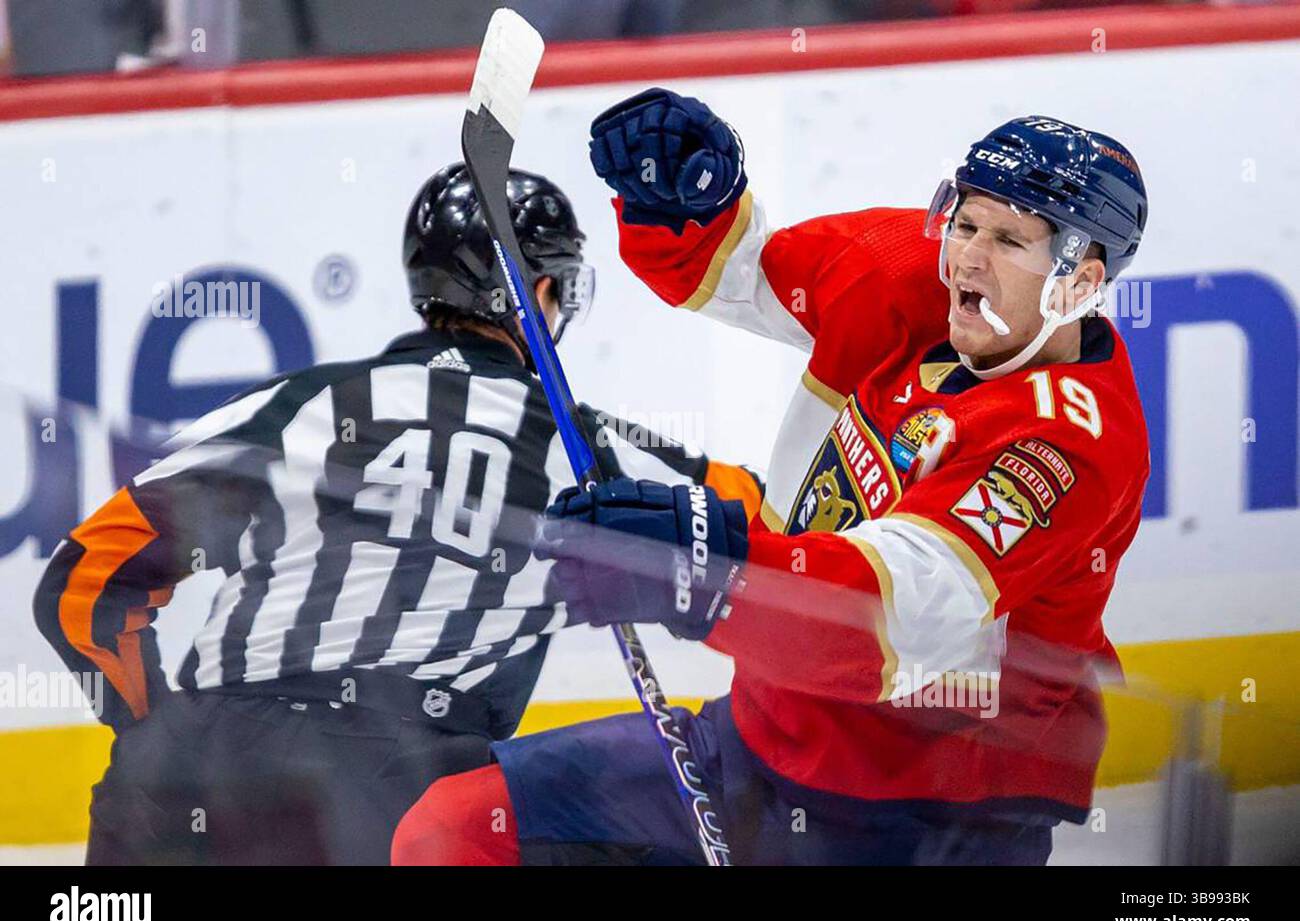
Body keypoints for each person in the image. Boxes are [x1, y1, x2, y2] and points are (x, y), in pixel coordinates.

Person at [391, 93, 1149, 866]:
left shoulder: (1066, 445)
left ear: (1079, 281)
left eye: (1012, 241)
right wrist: (686, 200)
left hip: (927, 820)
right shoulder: (907, 275)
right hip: (759, 742)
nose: (969, 259)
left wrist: (701, 564)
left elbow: (889, 619)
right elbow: (741, 271)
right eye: (966, 223)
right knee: (451, 829)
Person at [32, 159, 761, 865]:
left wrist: (158, 735)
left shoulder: (292, 406)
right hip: (397, 790)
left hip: (183, 780)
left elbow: (81, 584)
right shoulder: (582, 448)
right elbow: (769, 519)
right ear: (538, 291)